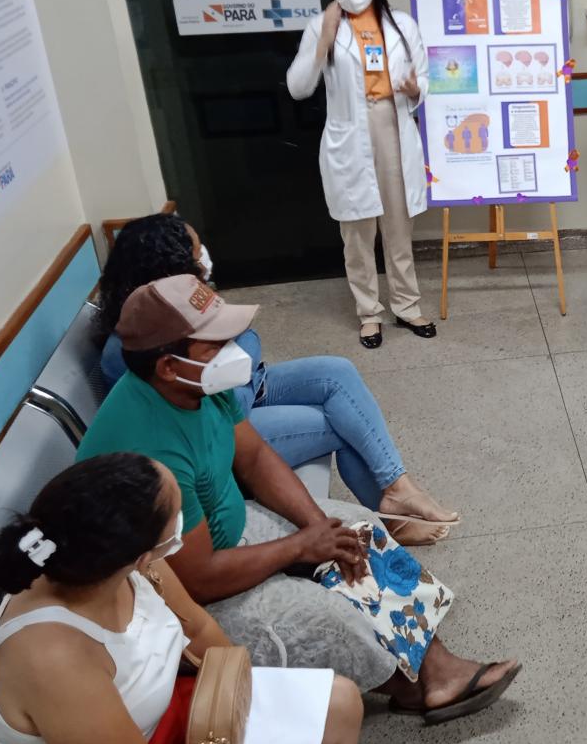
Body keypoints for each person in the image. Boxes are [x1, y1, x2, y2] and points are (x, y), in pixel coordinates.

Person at [76, 275, 521, 722]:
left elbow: (255, 458)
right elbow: (199, 580)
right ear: (168, 366)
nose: (232, 349)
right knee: (324, 617)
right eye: (214, 344)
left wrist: (318, 527)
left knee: (357, 532)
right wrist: (299, 547)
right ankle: (408, 686)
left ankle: (436, 667)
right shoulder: (150, 450)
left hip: (228, 530)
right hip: (177, 601)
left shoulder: (196, 386)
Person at [96, 212, 458, 546]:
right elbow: (229, 398)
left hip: (239, 390)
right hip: (219, 424)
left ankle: (398, 486)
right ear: (169, 267)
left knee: (338, 372)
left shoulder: (180, 308)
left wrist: (243, 366)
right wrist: (243, 364)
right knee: (338, 423)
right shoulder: (133, 345)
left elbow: (245, 346)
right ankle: (391, 520)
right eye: (195, 252)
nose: (203, 257)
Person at [0, 452, 363, 744]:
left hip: (164, 712)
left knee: (341, 703)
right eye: (177, 518)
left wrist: (237, 696)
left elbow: (197, 628)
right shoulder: (54, 662)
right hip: (128, 732)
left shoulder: (118, 561)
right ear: (142, 555)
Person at [287, 0, 437, 349]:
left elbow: (424, 78)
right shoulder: (322, 26)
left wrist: (414, 88)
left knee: (398, 227)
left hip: (393, 126)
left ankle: (406, 305)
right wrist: (323, 40)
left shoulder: (401, 25)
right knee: (356, 235)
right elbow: (298, 87)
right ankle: (369, 313)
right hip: (349, 134)